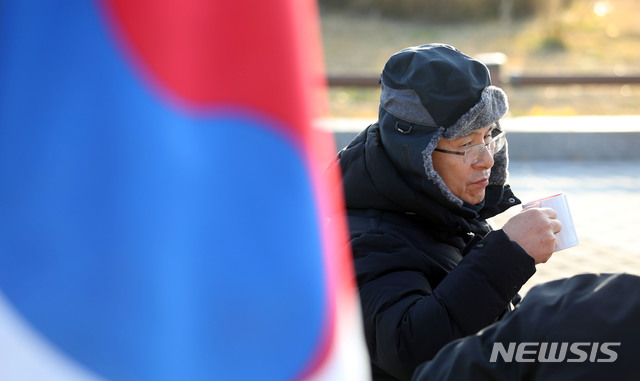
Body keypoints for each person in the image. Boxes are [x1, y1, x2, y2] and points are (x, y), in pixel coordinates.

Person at [334, 43, 562, 380]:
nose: (486, 158)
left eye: (489, 136)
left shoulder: (438, 205)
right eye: (466, 145)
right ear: (415, 154)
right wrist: (509, 254)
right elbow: (409, 349)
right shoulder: (372, 235)